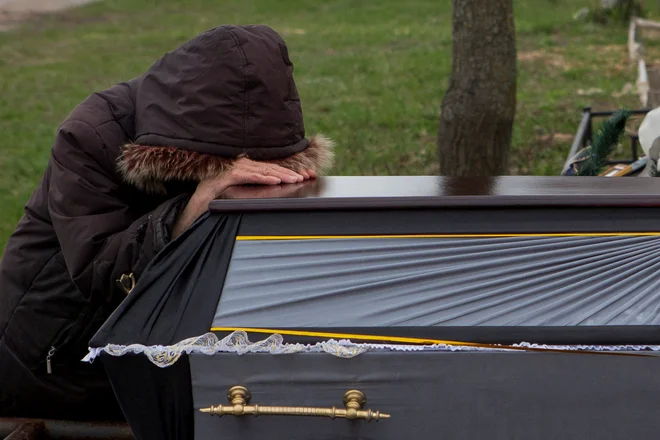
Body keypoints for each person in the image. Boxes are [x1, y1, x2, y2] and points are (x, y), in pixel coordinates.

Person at [0, 24, 334, 419]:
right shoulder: (91, 136)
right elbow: (99, 272)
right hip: (60, 362)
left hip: (175, 352)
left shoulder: (250, 130)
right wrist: (190, 212)